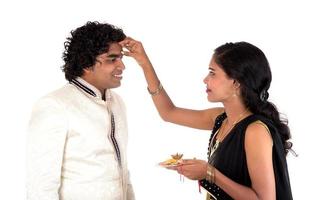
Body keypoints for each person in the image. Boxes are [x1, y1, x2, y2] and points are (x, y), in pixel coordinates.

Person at [120, 38, 293, 199]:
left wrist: (210, 173)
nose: (205, 79)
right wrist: (144, 63)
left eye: (213, 73)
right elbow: (168, 112)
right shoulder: (220, 118)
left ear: (236, 82)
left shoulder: (255, 130)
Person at [27, 21, 135, 200]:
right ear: (86, 64)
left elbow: (122, 169)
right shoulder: (55, 105)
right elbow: (41, 184)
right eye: (112, 59)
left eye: (121, 58)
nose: (122, 66)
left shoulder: (117, 102)